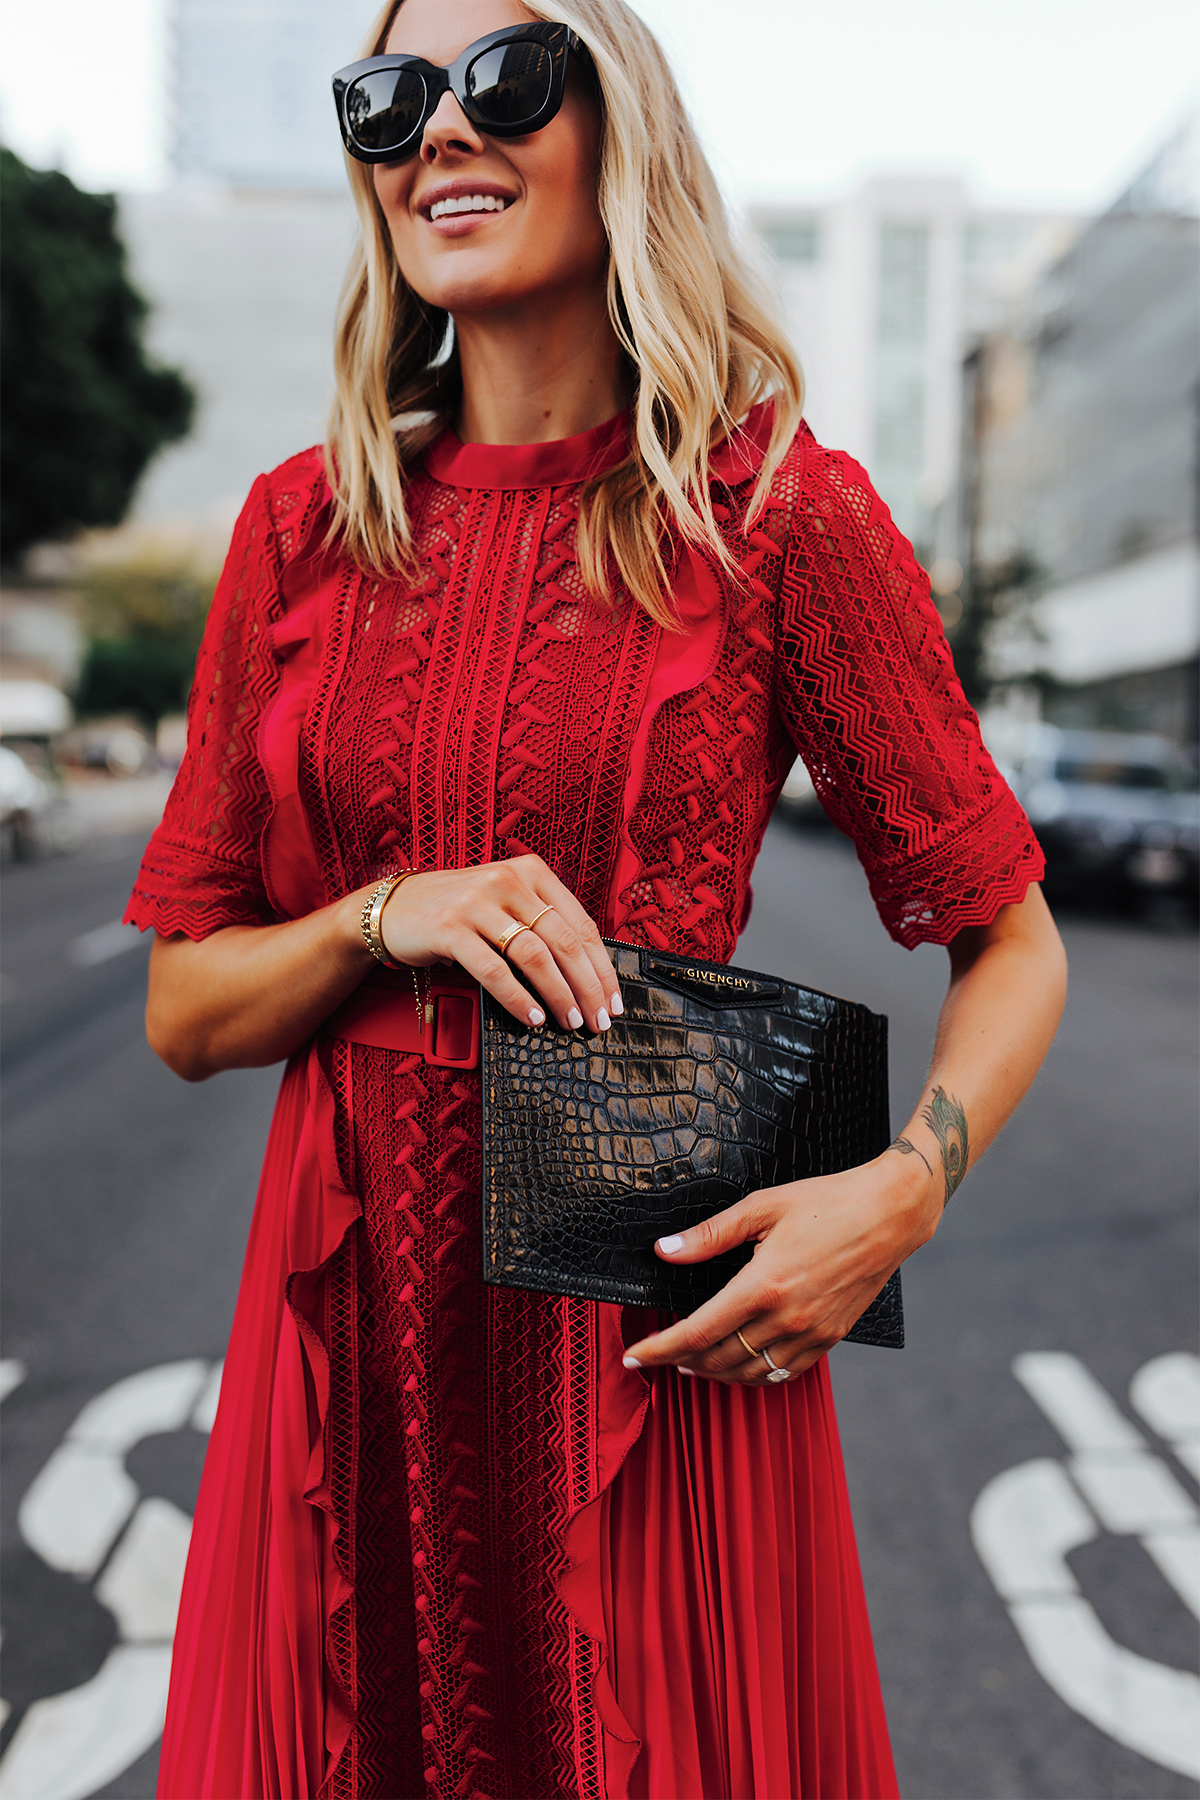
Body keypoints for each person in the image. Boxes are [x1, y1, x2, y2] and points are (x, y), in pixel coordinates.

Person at [127, 0, 1067, 1794]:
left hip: (645, 1332)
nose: (441, 135)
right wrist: (368, 914)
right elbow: (183, 1009)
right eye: (394, 98)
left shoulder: (776, 515)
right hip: (349, 1343)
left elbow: (1007, 935)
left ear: (618, 124)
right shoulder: (297, 532)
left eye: (506, 79)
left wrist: (902, 1189)